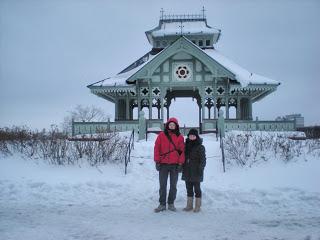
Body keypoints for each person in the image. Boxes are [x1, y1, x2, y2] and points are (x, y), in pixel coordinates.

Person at [153, 117, 185, 212]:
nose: (171, 126)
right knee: (162, 185)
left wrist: (180, 163)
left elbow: (182, 151)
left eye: (173, 125)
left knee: (173, 186)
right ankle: (162, 204)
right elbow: (156, 148)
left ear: (176, 126)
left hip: (174, 165)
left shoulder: (180, 137)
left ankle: (171, 203)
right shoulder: (161, 135)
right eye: (170, 124)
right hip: (163, 164)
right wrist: (157, 161)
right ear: (167, 125)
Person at [181, 128, 206, 212]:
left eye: (193, 136)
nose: (192, 137)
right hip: (187, 170)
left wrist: (200, 168)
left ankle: (198, 206)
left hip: (196, 171)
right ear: (188, 136)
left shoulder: (200, 147)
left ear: (196, 136)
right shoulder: (185, 145)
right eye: (190, 136)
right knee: (189, 188)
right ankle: (189, 205)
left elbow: (203, 160)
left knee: (197, 189)